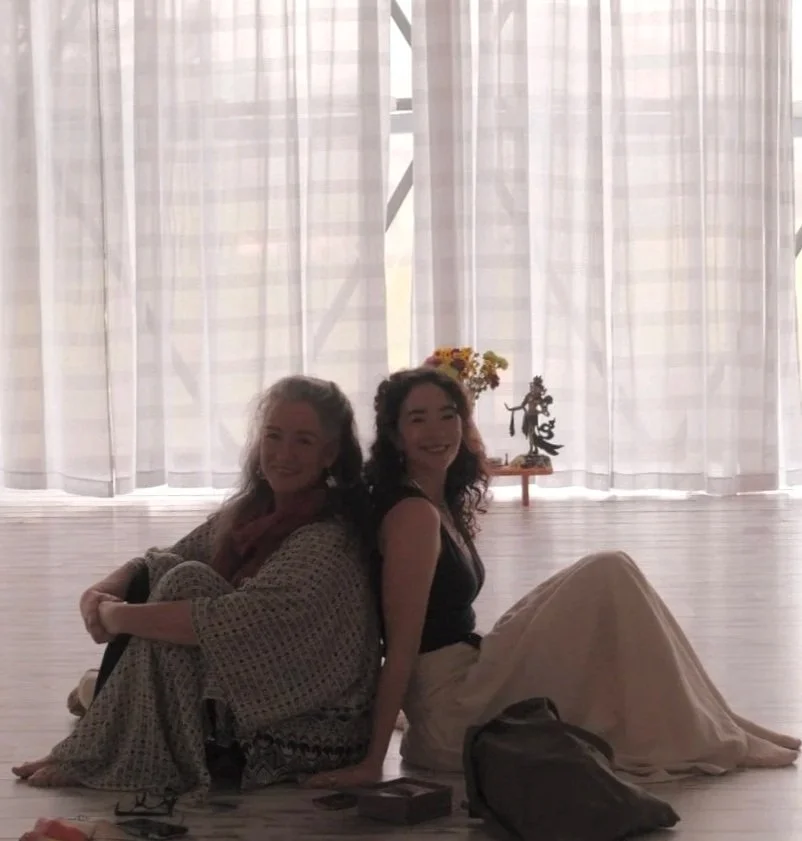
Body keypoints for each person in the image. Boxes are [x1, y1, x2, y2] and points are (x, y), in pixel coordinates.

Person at [307, 366, 800, 790]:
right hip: (453, 715)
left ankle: (719, 720)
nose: (438, 430)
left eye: (448, 415)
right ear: (395, 435)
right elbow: (402, 642)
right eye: (418, 419)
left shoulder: (436, 500)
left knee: (614, 572)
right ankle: (711, 727)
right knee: (608, 572)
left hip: (470, 674)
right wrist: (374, 761)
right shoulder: (412, 515)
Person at [13, 376, 382, 795]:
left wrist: (117, 616)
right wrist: (103, 590)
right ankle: (96, 744)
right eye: (273, 436)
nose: (282, 454)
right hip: (255, 695)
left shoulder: (327, 537)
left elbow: (224, 621)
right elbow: (169, 556)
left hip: (310, 728)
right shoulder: (257, 511)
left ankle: (101, 750)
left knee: (184, 584)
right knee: (166, 573)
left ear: (330, 454)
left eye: (303, 441)